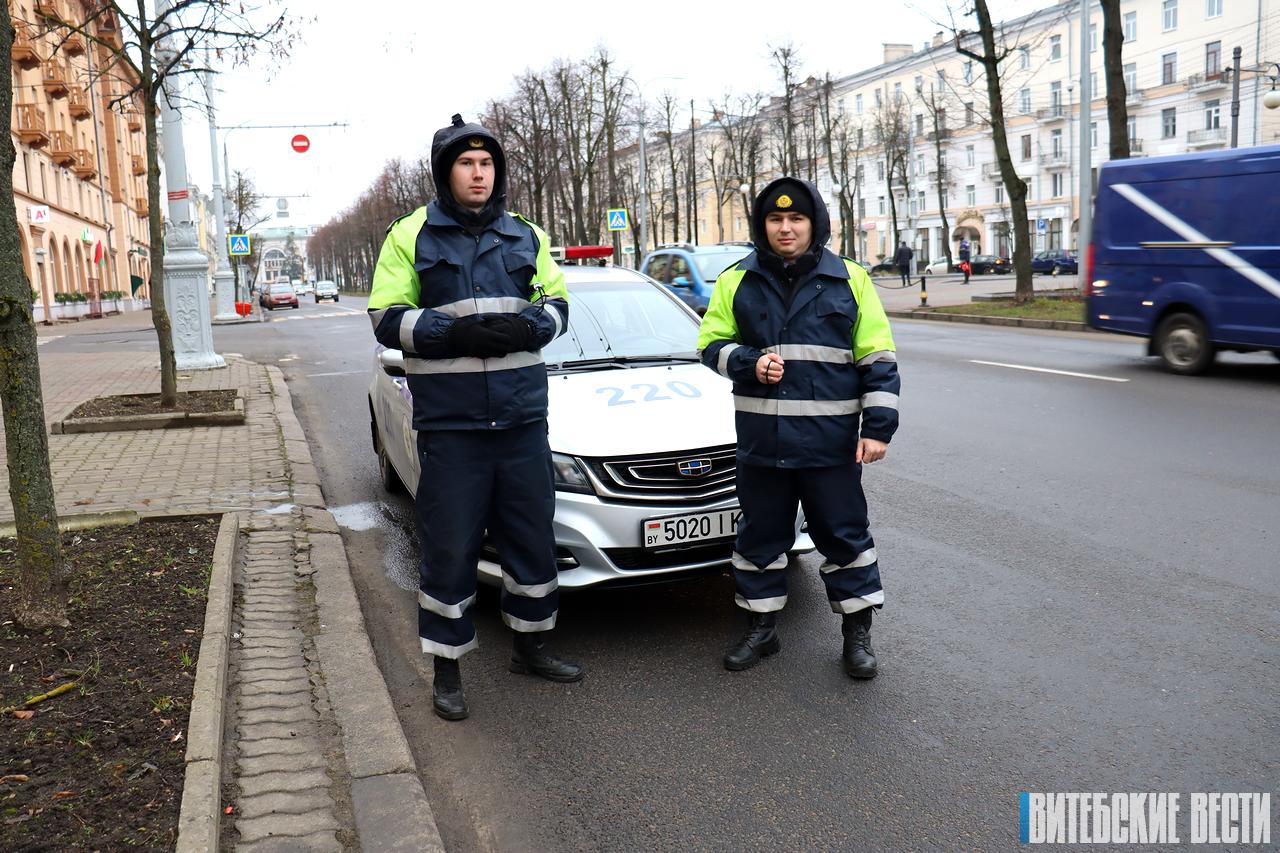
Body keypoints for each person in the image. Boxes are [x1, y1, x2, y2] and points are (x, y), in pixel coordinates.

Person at [367, 114, 582, 722]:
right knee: (450, 552)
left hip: (520, 424)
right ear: (445, 172)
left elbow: (559, 304)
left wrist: (530, 325)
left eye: (487, 163)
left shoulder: (527, 235)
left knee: (532, 543)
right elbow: (386, 317)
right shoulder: (410, 236)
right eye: (466, 163)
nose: (478, 173)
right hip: (453, 429)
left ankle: (532, 647)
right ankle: (447, 669)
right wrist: (451, 331)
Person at [696, 177, 901, 679]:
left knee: (844, 538)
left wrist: (877, 429)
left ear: (815, 224)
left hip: (830, 448)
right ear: (762, 226)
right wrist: (746, 361)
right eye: (775, 219)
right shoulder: (734, 281)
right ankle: (761, 629)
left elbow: (877, 357)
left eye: (796, 219)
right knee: (759, 539)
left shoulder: (850, 279)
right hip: (762, 446)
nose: (785, 228)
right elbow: (709, 343)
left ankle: (857, 634)